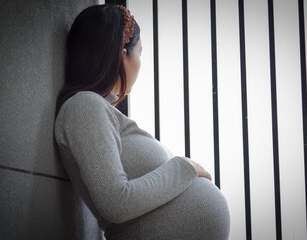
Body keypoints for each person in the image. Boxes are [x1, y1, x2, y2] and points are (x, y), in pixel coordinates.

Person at [54, 4, 230, 239]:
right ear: (121, 54)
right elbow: (116, 202)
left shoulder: (98, 109)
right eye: (140, 52)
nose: (140, 63)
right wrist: (183, 168)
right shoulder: (84, 106)